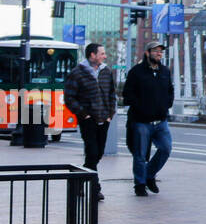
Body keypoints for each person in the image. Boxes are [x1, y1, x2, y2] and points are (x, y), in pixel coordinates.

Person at [62, 42, 117, 201]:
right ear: (92, 55)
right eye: (102, 53)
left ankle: (79, 177)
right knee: (92, 152)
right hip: (88, 121)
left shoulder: (106, 71)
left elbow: (112, 94)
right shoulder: (77, 73)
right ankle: (95, 188)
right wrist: (84, 115)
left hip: (104, 119)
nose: (105, 56)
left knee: (97, 154)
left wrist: (110, 114)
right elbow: (69, 98)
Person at [122, 41, 174, 197]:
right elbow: (127, 95)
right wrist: (141, 109)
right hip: (141, 121)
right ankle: (140, 184)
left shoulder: (165, 71)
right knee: (140, 155)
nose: (159, 53)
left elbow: (170, 91)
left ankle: (149, 175)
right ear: (147, 53)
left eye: (161, 51)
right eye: (156, 51)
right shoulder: (136, 72)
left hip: (160, 121)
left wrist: (167, 105)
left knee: (166, 148)